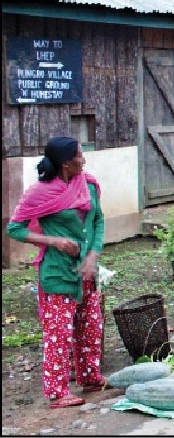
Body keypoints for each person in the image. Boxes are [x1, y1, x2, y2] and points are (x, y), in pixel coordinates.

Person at [6, 136, 105, 409]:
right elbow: (14, 228)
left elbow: (97, 220)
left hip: (86, 271)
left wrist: (93, 256)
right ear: (65, 163)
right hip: (57, 272)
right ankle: (58, 392)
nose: (84, 159)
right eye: (80, 155)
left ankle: (90, 377)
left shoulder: (90, 185)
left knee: (90, 326)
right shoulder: (40, 192)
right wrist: (55, 242)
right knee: (59, 333)